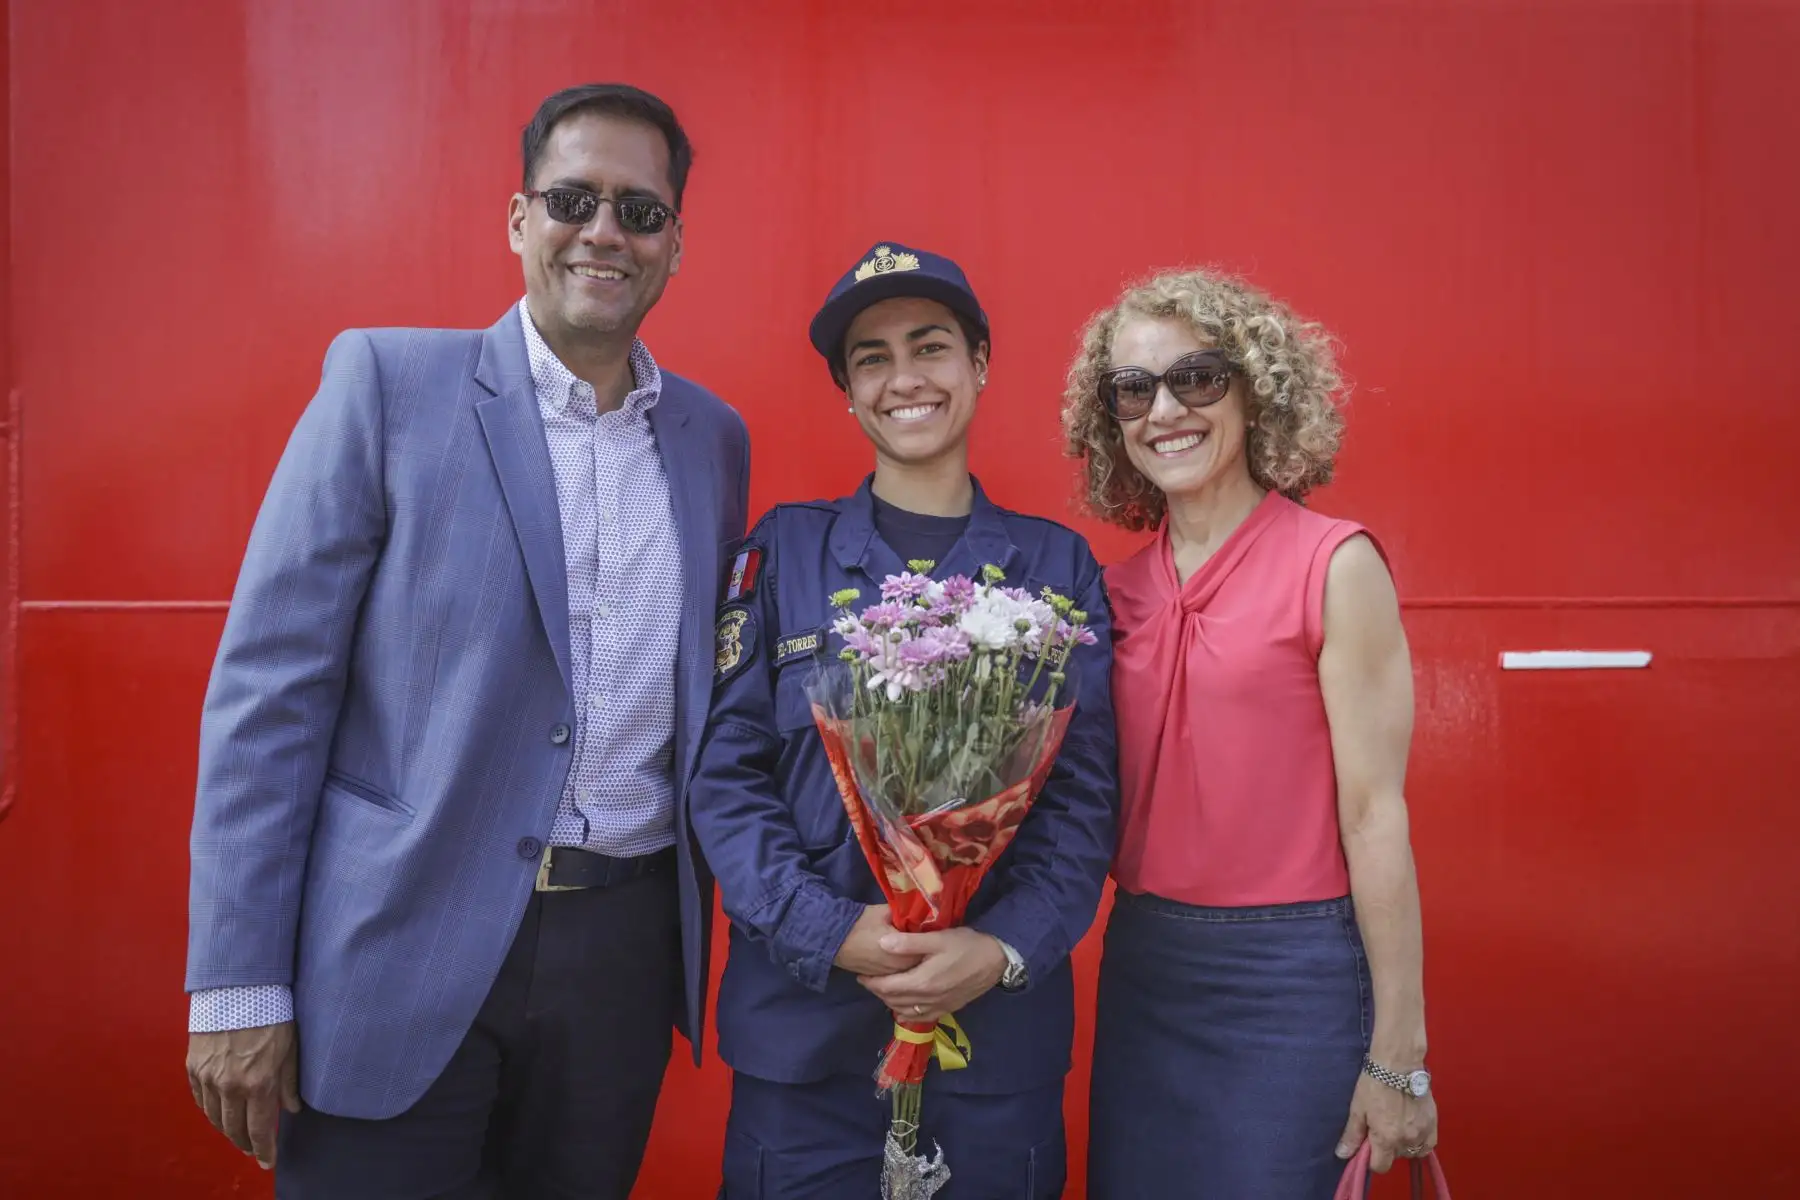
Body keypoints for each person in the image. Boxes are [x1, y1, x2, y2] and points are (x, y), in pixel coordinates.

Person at [183, 83, 750, 1199]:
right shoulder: (388, 385)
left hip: (622, 960)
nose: (605, 231)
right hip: (398, 949)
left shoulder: (712, 440)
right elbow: (271, 695)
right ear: (518, 218)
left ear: (675, 244)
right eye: (573, 199)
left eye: (640, 211)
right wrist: (239, 985)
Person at [690, 242, 1117, 1198]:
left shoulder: (1056, 572)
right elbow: (724, 779)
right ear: (848, 391)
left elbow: (1082, 806)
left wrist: (997, 952)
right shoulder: (781, 555)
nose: (904, 379)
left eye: (930, 347)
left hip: (993, 1053)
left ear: (979, 366)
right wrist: (829, 929)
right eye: (871, 359)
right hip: (805, 1050)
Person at [1062, 267, 1439, 1198]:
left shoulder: (1334, 565)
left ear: (1254, 388)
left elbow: (1373, 815)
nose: (1165, 411)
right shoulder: (1106, 596)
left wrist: (1400, 1053)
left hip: (1295, 975)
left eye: (1198, 377)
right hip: (1146, 965)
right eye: (1134, 389)